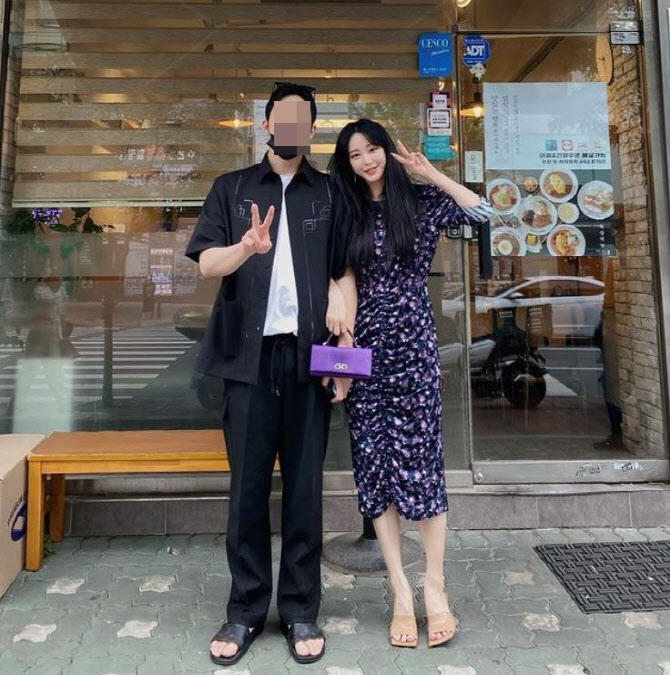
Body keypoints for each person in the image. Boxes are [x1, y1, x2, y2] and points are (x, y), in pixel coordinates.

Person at [184, 82, 354, 667]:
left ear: (312, 130)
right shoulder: (231, 188)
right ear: (266, 126)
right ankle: (246, 610)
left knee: (305, 490)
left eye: (301, 121)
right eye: (282, 119)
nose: (290, 130)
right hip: (247, 360)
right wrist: (247, 248)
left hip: (309, 358)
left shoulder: (329, 193)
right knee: (248, 493)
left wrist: (344, 345)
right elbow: (208, 264)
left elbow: (345, 270)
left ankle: (301, 608)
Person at [329, 119, 491, 648]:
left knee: (422, 463)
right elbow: (341, 280)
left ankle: (434, 585)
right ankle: (400, 589)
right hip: (365, 351)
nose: (366, 160)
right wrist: (344, 358)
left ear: (386, 151)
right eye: (355, 154)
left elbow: (482, 211)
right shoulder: (347, 209)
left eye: (372, 149)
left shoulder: (420, 202)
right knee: (375, 466)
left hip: (415, 346)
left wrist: (430, 173)